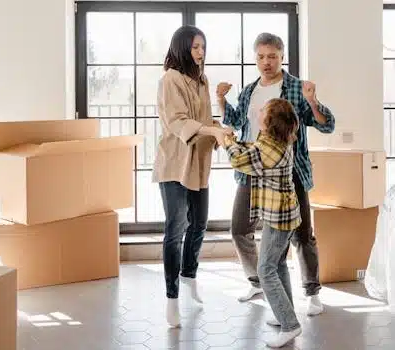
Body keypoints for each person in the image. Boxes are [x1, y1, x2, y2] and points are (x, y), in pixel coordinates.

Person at [217, 32, 336, 316]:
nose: (266, 62)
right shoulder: (250, 90)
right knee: (239, 228)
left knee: (302, 234)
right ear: (255, 58)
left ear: (282, 57)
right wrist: (220, 99)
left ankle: (311, 291)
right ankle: (259, 281)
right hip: (254, 170)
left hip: (289, 173)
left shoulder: (296, 89)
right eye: (260, 57)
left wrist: (313, 101)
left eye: (272, 56)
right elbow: (234, 120)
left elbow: (327, 125)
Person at [154, 25, 230, 328]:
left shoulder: (202, 80)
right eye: (195, 47)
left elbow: (202, 120)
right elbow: (177, 121)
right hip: (174, 164)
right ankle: (171, 298)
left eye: (203, 47)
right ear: (182, 48)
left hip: (198, 163)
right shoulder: (169, 79)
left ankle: (189, 278)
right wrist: (211, 130)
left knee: (199, 224)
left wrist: (220, 128)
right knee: (175, 229)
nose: (200, 52)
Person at [223, 98, 303, 348]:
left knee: (265, 270)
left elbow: (240, 161)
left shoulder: (271, 149)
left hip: (280, 218)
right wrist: (234, 139)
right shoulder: (276, 140)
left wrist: (226, 142)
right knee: (277, 265)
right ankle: (285, 316)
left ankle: (290, 325)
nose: (258, 112)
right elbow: (253, 147)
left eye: (263, 111)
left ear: (270, 122)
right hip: (281, 214)